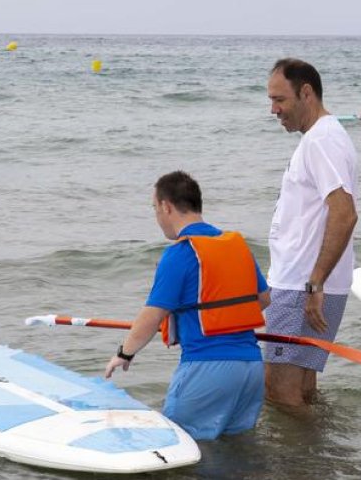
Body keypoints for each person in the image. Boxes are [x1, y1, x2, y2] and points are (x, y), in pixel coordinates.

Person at [104, 171, 269, 440]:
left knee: (178, 445)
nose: (157, 217)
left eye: (154, 208)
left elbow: (151, 316)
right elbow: (264, 299)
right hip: (250, 370)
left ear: (166, 206)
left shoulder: (180, 254)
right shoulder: (237, 247)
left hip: (207, 368)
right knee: (235, 452)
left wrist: (124, 353)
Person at [265, 58, 359, 407]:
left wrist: (314, 282)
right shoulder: (326, 136)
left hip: (301, 286)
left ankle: (298, 462)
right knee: (302, 389)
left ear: (306, 93)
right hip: (312, 284)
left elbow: (345, 213)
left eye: (280, 100)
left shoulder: (321, 140)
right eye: (271, 100)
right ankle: (317, 459)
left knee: (279, 391)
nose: (274, 110)